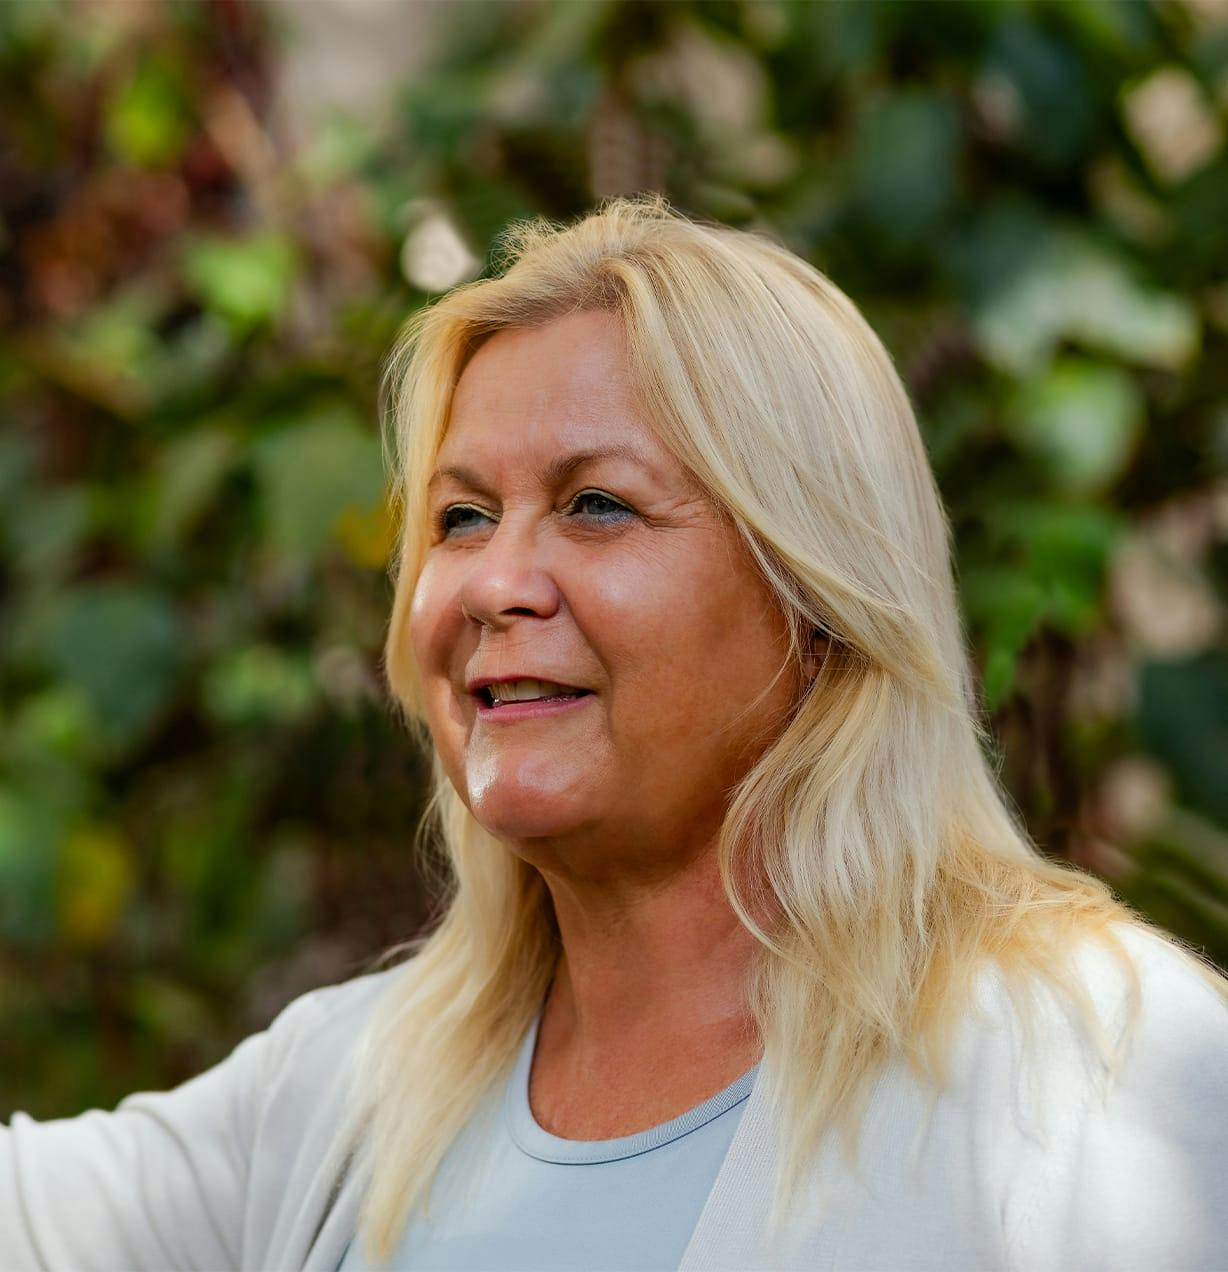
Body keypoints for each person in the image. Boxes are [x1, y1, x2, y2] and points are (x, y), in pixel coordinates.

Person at [3, 194, 1227, 1272]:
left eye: (596, 506)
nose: (495, 583)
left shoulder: (1095, 1070)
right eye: (463, 517)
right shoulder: (350, 1088)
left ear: (816, 596)